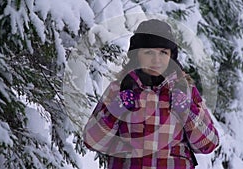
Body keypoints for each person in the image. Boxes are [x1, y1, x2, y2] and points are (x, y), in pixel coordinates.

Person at [83, 19, 219, 169]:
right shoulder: (120, 89)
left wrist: (188, 111)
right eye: (149, 52)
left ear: (171, 56)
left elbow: (208, 145)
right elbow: (92, 141)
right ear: (136, 55)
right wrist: (114, 110)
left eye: (163, 52)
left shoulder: (184, 90)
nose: (156, 60)